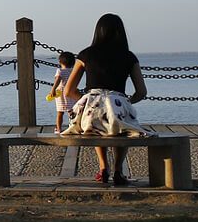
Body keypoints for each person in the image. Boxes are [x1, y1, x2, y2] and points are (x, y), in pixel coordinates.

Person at [62, 13, 154, 186]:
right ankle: (118, 170)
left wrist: (87, 100)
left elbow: (68, 90)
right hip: (117, 106)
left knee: (97, 122)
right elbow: (141, 92)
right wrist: (126, 102)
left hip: (90, 111)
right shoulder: (129, 57)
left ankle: (103, 168)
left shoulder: (85, 55)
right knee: (122, 125)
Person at [47, 51, 76, 134]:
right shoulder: (73, 71)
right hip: (70, 92)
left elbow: (57, 80)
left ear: (60, 61)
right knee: (71, 112)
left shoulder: (60, 71)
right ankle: (73, 127)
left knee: (60, 112)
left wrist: (53, 89)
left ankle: (58, 129)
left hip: (61, 94)